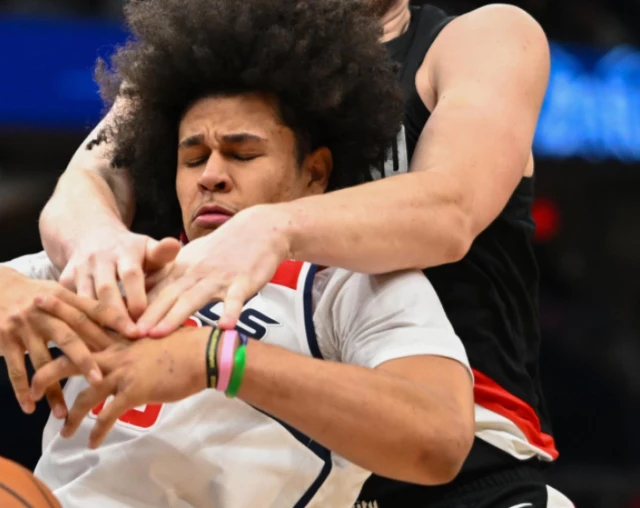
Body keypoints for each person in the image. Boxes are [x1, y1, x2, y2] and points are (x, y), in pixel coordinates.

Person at [0, 1, 475, 505]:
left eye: (241, 153)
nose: (210, 175)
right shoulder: (125, 267)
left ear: (314, 173)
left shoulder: (347, 286)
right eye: (191, 157)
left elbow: (439, 440)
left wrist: (220, 360)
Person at [38, 0, 571, 506]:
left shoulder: (482, 38)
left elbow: (451, 208)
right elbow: (83, 188)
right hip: (281, 476)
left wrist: (274, 226)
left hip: (462, 465)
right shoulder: (218, 57)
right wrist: (101, 247)